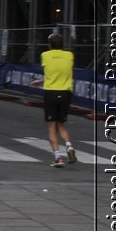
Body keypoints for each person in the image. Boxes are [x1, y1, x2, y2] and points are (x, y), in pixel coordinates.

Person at [41, 33, 77, 167]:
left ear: (50, 44)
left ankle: (58, 157)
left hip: (51, 92)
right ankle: (69, 146)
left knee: (51, 126)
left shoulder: (45, 55)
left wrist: (41, 81)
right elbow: (61, 72)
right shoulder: (70, 55)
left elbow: (51, 72)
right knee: (61, 124)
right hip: (66, 92)